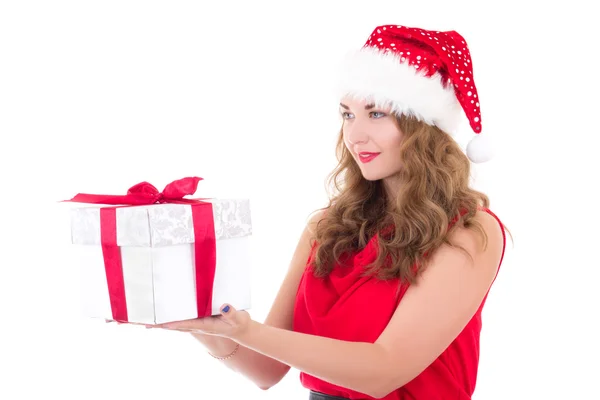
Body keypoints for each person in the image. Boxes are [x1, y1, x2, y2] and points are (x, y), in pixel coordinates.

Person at [149, 24, 509, 400]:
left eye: (376, 114)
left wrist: (243, 330)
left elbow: (384, 371)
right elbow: (266, 369)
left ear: (422, 125)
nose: (354, 136)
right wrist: (202, 325)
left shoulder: (468, 233)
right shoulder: (326, 228)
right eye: (347, 115)